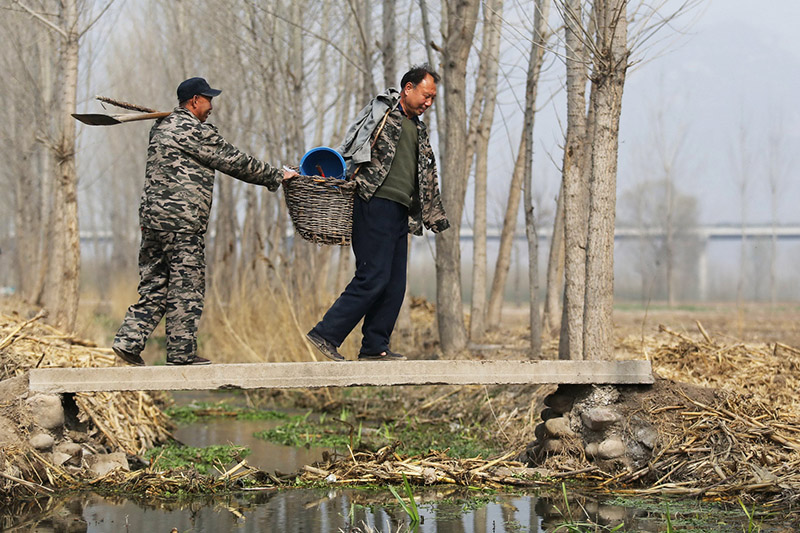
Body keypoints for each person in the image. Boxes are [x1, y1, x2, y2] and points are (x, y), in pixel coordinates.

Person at [113, 77, 296, 366]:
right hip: (182, 223)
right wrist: (276, 175)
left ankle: (128, 340)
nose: (212, 106)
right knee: (187, 287)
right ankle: (181, 354)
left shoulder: (161, 127)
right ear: (195, 100)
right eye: (208, 99)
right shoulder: (193, 131)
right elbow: (233, 160)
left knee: (155, 284)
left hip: (151, 221)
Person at [306, 64, 450, 362]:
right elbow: (353, 142)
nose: (428, 103)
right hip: (373, 201)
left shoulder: (419, 130)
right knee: (373, 276)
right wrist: (340, 176)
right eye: (425, 95)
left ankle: (374, 345)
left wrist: (434, 215)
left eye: (433, 98)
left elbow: (428, 175)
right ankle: (326, 333)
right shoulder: (383, 113)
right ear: (408, 88)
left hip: (401, 211)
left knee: (395, 283)